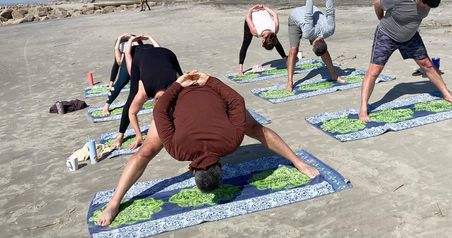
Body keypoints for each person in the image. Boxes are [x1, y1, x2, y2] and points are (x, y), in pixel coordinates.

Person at [97, 71, 319, 226]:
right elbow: (161, 110)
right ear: (193, 170)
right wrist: (194, 83)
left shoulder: (231, 141)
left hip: (198, 93)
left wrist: (195, 83)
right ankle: (299, 163)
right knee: (255, 128)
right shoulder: (177, 150)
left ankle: (114, 203)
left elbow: (234, 101)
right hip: (193, 95)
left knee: (146, 152)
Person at [359, 0, 452, 121]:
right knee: (374, 71)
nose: (426, 8)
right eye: (424, 5)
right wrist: (381, 19)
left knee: (427, 65)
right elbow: (377, 4)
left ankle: (446, 94)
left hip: (410, 36)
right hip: (387, 35)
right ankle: (363, 109)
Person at [112, 35, 183, 149]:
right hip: (138, 54)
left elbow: (160, 50)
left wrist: (149, 37)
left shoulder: (175, 86)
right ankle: (120, 135)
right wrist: (139, 136)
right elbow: (132, 112)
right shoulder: (144, 90)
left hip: (164, 53)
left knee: (182, 84)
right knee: (131, 98)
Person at [285, 0, 345, 91]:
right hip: (295, 17)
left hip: (310, 19)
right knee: (294, 50)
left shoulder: (330, 30)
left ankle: (334, 75)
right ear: (312, 44)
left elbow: (331, 12)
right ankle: (289, 81)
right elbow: (308, 14)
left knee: (323, 51)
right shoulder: (308, 33)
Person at [101, 33, 147, 117]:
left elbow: (142, 48)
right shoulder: (121, 54)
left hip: (138, 56)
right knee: (120, 83)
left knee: (143, 82)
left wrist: (134, 38)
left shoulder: (136, 49)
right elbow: (116, 65)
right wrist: (111, 82)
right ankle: (106, 106)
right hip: (128, 56)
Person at [238, 4, 288, 75]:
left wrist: (264, 7)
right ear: (263, 40)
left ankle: (287, 61)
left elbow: (275, 14)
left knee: (274, 40)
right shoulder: (255, 31)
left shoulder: (275, 29)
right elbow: (247, 17)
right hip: (253, 15)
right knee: (246, 43)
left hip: (263, 10)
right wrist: (252, 9)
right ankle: (240, 70)